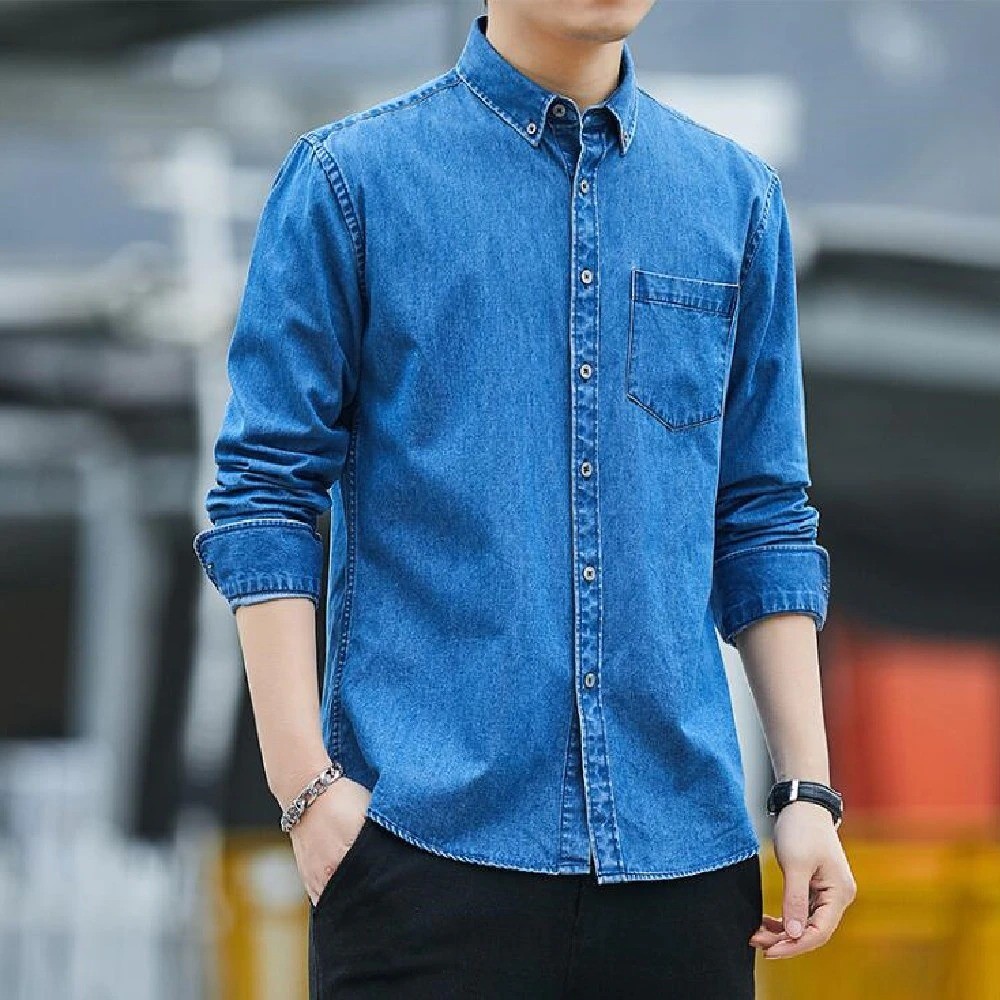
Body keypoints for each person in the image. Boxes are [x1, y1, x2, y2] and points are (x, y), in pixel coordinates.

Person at [193, 1, 857, 996]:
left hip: (679, 859)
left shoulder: (733, 198)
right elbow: (265, 492)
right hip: (421, 851)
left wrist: (805, 791)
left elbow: (761, 515)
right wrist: (306, 791)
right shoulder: (351, 182)